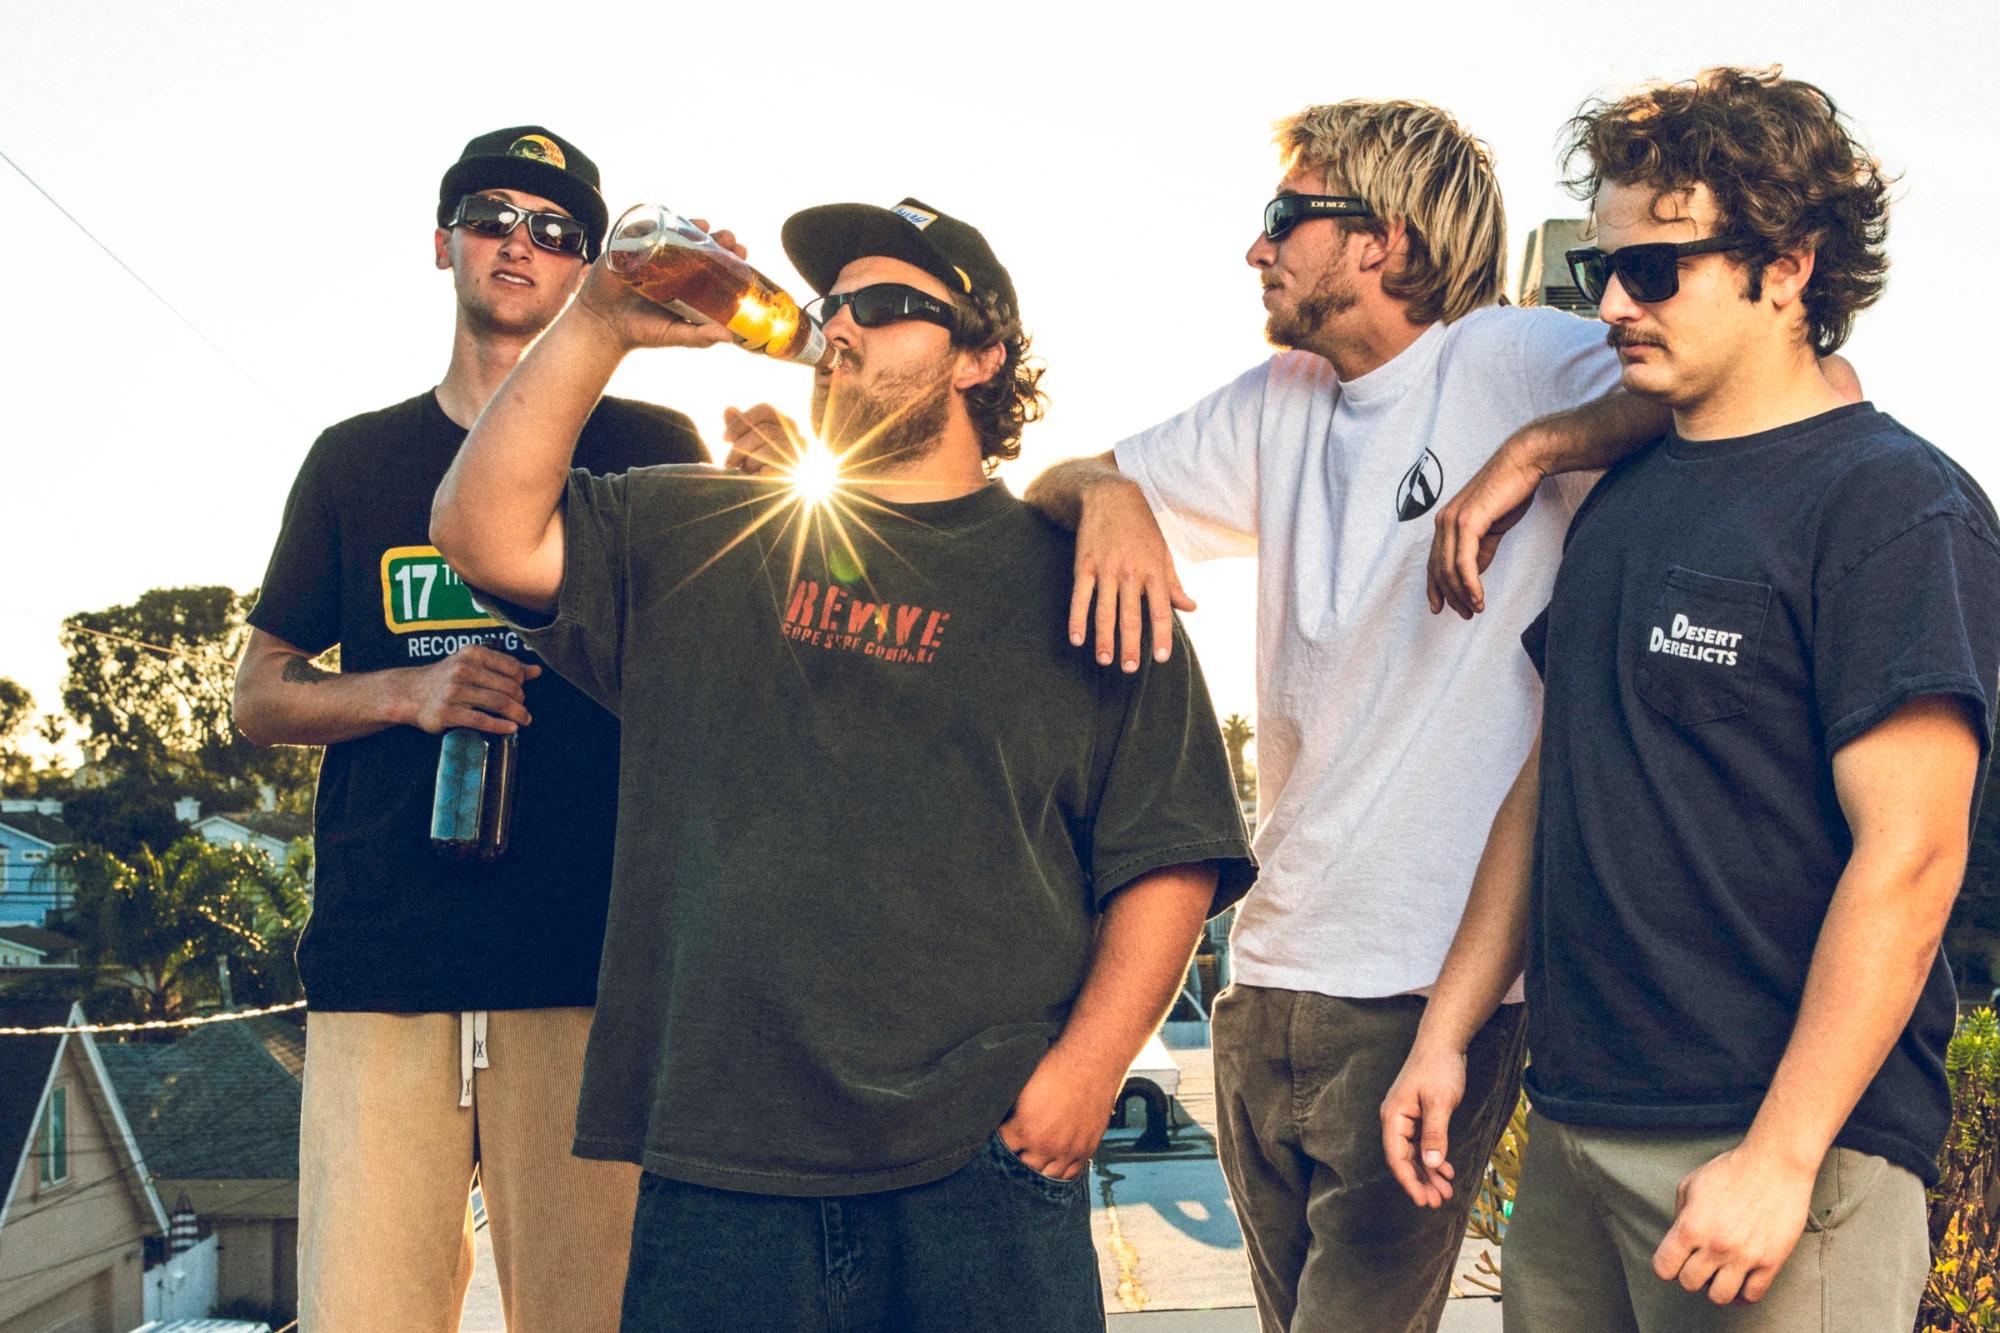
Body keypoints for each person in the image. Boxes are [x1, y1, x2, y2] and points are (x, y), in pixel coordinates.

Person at [429, 195, 1257, 1331]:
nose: (841, 327)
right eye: (832, 304)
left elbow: (1169, 854)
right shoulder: (705, 533)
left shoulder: (1089, 577)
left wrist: (1085, 1075)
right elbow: (479, 530)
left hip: (983, 1171)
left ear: (979, 357)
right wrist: (600, 321)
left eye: (886, 304)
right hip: (720, 1172)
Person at [1023, 99, 1682, 1332]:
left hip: (1423, 988)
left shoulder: (1509, 358)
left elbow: (1721, 381)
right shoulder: (1278, 397)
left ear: (1383, 237)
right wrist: (1107, 494)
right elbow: (1058, 482)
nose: (1256, 247)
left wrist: (1531, 451)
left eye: (1285, 217)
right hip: (1264, 977)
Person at [1383, 67, 2000, 1330]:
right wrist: (1444, 1032)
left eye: (1652, 270)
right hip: (1573, 1136)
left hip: (1773, 1162)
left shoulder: (1891, 505)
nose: (1610, 304)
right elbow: (1550, 787)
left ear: (1785, 267)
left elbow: (1912, 853)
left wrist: (1779, 1155)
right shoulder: (1624, 503)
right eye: (1598, 271)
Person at [231, 125, 707, 1331]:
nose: (519, 242)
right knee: (362, 1313)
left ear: (587, 267)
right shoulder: (356, 461)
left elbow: (722, 688)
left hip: (588, 968)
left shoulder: (653, 452)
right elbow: (259, 693)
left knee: (596, 1315)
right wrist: (407, 692)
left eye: (556, 230)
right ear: (442, 244)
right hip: (385, 968)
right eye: (491, 216)